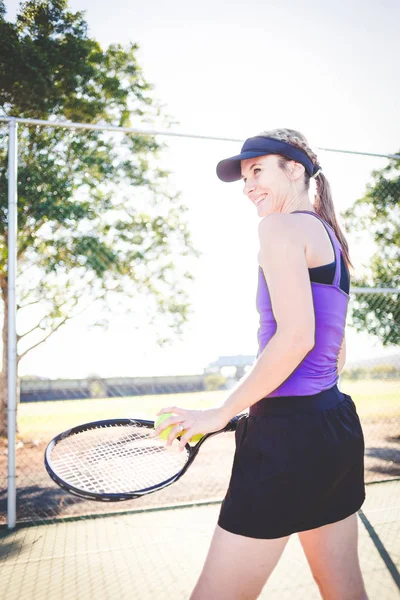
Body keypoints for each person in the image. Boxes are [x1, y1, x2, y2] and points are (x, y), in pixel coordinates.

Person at [155, 128, 367, 600]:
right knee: (344, 589)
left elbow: (296, 337)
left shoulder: (278, 227)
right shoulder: (331, 238)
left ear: (296, 169)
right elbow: (336, 351)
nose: (248, 185)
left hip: (287, 439)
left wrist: (221, 412)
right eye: (244, 177)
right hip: (334, 427)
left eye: (258, 170)